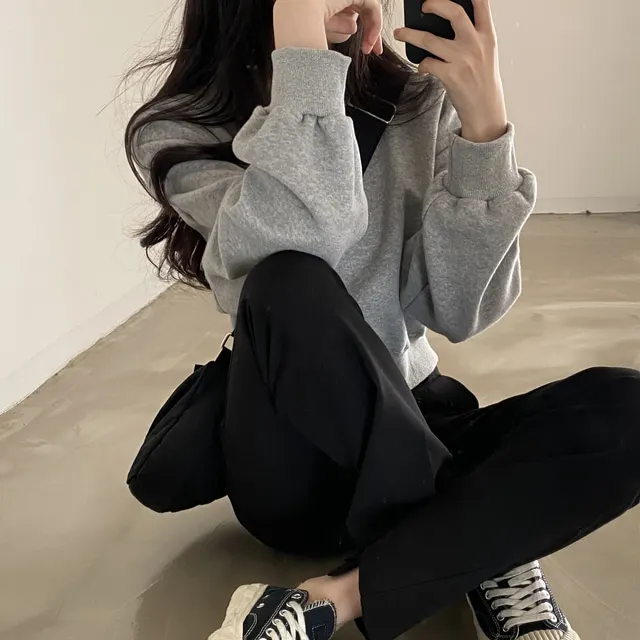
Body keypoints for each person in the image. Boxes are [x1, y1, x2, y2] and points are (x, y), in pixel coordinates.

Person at [125, 0, 640, 639]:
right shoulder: (179, 130)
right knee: (288, 281)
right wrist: (305, 61)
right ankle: (484, 540)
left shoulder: (415, 101)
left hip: (417, 410)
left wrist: (485, 126)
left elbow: (459, 308)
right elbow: (303, 239)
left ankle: (334, 598)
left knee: (627, 410)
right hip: (294, 452)